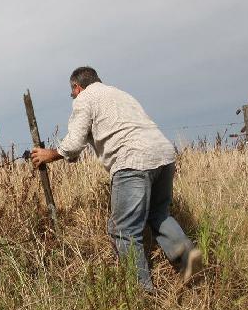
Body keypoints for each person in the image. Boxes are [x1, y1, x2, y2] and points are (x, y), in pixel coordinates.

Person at [30, 66, 203, 291]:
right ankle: (188, 256)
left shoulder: (84, 98)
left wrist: (49, 154)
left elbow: (73, 144)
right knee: (158, 214)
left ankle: (142, 294)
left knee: (123, 230)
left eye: (72, 92)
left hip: (131, 161)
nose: (72, 96)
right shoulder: (120, 94)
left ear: (77, 86)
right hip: (164, 156)